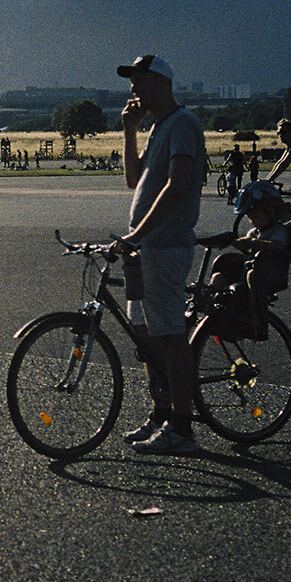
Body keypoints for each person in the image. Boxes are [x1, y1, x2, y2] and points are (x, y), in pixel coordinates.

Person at [110, 55, 205, 455]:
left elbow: (179, 184)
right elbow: (134, 180)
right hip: (144, 248)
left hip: (164, 247)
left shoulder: (183, 123)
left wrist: (138, 233)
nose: (133, 87)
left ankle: (182, 428)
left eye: (140, 80)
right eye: (131, 81)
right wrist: (131, 131)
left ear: (162, 82)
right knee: (147, 335)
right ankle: (162, 412)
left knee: (170, 335)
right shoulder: (158, 127)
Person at [208, 181, 291, 339]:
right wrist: (237, 243)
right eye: (249, 218)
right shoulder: (255, 231)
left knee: (251, 276)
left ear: (271, 211)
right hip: (250, 268)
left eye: (255, 216)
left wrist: (257, 243)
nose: (252, 221)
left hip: (269, 272)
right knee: (218, 277)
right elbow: (247, 245)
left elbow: (279, 245)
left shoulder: (278, 230)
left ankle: (257, 319)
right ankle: (214, 313)